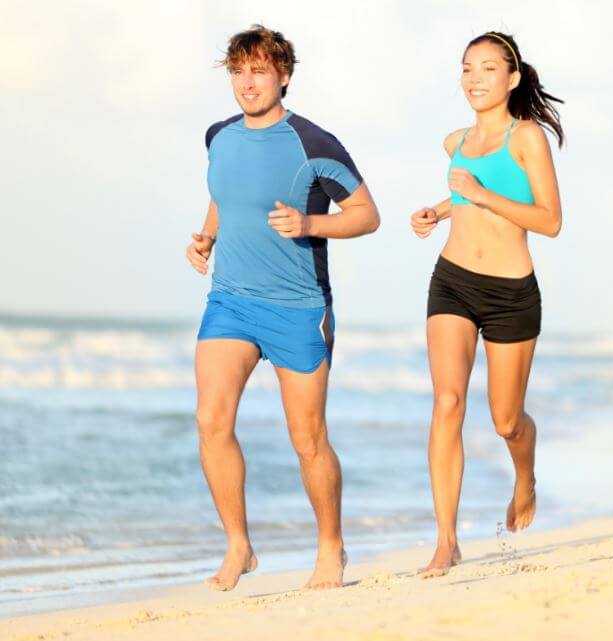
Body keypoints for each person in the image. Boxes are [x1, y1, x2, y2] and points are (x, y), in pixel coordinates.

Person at [184, 25, 380, 591]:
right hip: (230, 301)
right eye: (239, 71)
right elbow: (225, 194)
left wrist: (311, 223)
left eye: (259, 71)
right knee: (211, 421)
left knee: (307, 438)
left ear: (284, 76)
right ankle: (239, 546)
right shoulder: (218, 136)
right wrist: (206, 237)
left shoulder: (314, 143)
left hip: (298, 307)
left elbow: (367, 214)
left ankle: (330, 548)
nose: (248, 83)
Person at [409, 31, 564, 578]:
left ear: (512, 78)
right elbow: (467, 196)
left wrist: (476, 194)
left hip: (509, 293)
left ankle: (525, 476)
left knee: (504, 421)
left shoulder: (528, 138)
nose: (474, 78)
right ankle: (446, 540)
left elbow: (549, 219)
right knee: (447, 403)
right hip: (452, 281)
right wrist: (437, 211)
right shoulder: (455, 141)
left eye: (488, 69)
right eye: (467, 68)